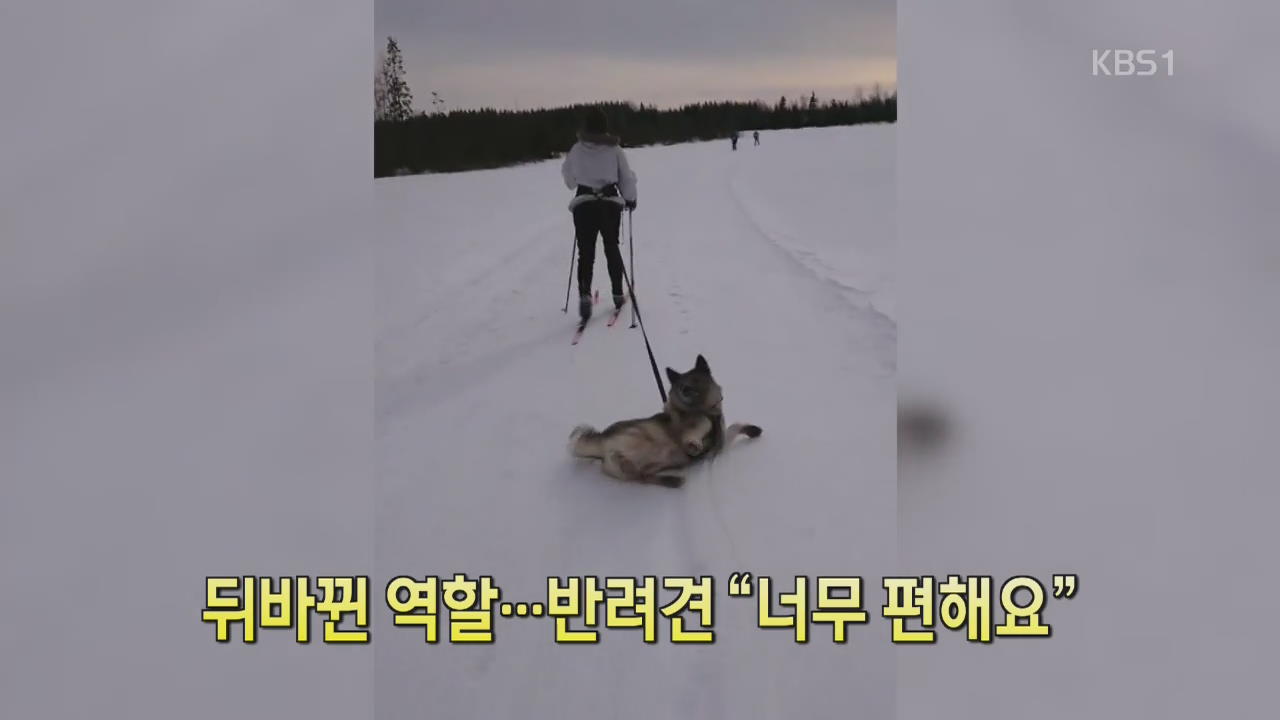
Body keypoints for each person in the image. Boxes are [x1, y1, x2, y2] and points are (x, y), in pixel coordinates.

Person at [561, 108, 638, 323]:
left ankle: (585, 295)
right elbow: (626, 178)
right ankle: (616, 294)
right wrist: (630, 198)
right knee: (611, 248)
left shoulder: (576, 149)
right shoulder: (614, 150)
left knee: (586, 253)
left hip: (584, 205)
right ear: (605, 126)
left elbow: (569, 180)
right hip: (609, 205)